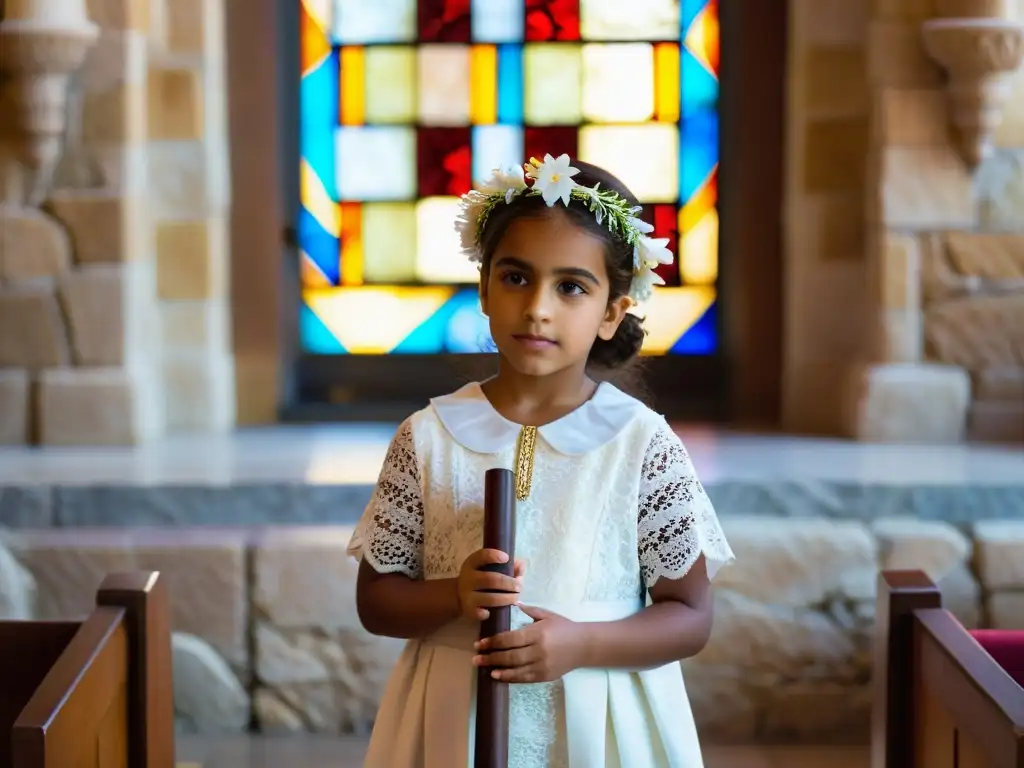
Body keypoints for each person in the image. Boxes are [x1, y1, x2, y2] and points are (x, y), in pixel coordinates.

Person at [348, 154, 736, 767]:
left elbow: (689, 615)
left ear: (613, 310)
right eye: (515, 277)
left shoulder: (640, 444)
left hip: (598, 720)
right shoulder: (428, 437)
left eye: (571, 287)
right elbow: (377, 601)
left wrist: (582, 643)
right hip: (456, 718)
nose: (538, 308)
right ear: (483, 288)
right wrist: (455, 594)